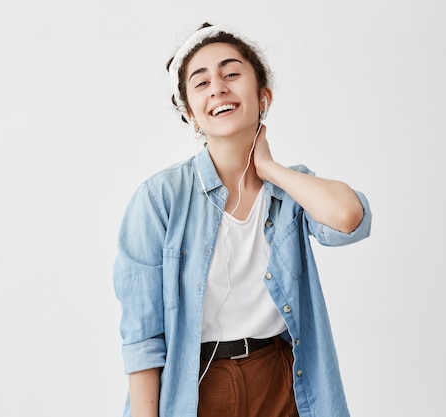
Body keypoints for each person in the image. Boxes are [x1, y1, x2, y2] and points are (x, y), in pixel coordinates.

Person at [113, 22, 372, 417]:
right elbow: (142, 341)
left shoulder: (292, 191)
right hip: (198, 388)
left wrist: (270, 167)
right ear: (191, 114)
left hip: (284, 381)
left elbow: (349, 218)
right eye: (200, 83)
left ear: (262, 96)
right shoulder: (160, 198)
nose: (217, 87)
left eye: (231, 73)